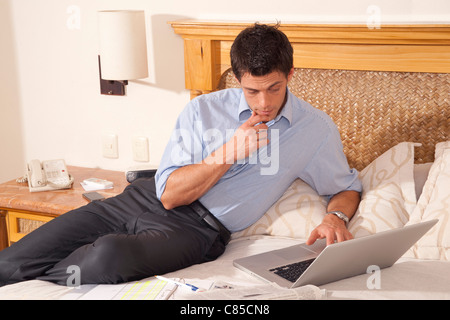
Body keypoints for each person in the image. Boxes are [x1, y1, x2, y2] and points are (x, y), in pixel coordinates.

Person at [0, 23, 361, 287]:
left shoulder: (315, 129)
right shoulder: (202, 110)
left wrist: (336, 217)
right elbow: (169, 194)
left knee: (106, 255)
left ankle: (40, 279)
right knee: (13, 260)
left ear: (291, 74)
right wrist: (229, 153)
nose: (264, 103)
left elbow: (345, 186)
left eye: (274, 88)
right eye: (252, 91)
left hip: (197, 231)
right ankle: (32, 272)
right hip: (141, 198)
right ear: (237, 78)